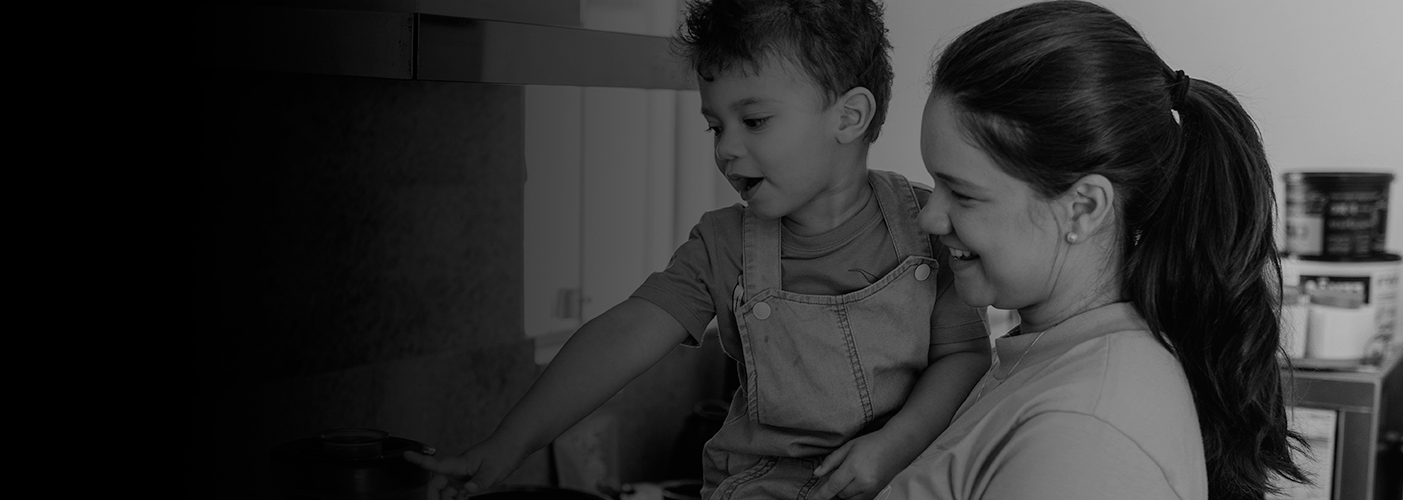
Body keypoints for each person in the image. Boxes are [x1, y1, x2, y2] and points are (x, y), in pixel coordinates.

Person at [404, 1, 992, 498]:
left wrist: (893, 446)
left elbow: (965, 357)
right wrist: (508, 444)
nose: (726, 148)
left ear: (850, 116)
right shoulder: (723, 244)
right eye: (716, 125)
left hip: (903, 475)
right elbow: (624, 334)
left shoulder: (929, 225)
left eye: (753, 120)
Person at [875, 1, 1311, 499]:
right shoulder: (1050, 357)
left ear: (1083, 208)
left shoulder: (1085, 431)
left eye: (963, 194)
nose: (930, 218)